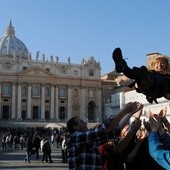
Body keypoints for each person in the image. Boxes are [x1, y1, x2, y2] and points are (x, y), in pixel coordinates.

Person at [67, 101, 143, 170]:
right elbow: (103, 130)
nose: (85, 123)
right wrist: (124, 111)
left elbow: (115, 129)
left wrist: (130, 113)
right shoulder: (75, 137)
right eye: (82, 122)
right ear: (75, 127)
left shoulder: (90, 141)